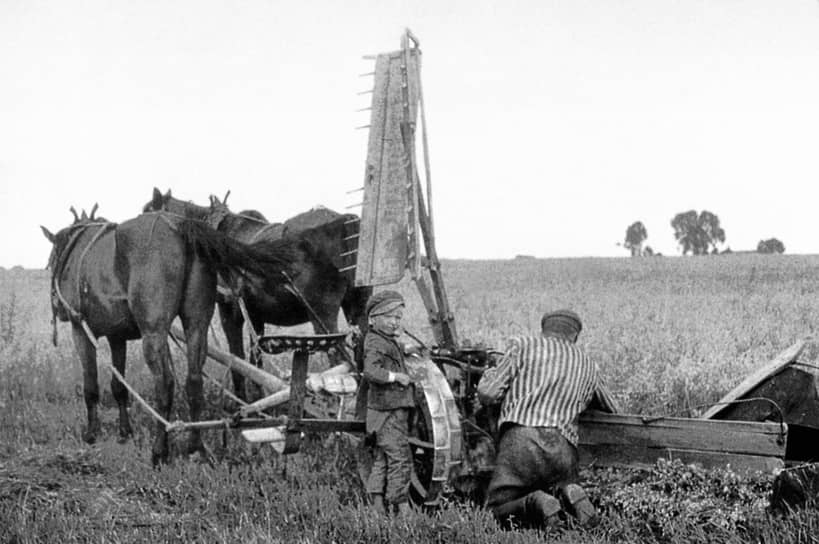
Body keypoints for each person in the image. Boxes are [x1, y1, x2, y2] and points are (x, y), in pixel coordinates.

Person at [476, 309, 602, 529]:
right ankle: (569, 493)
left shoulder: (523, 345)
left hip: (522, 439)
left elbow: (488, 395)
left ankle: (538, 502)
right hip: (564, 444)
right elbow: (609, 405)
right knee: (555, 485)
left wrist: (486, 378)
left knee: (496, 509)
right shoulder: (589, 364)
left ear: (544, 330)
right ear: (575, 336)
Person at [361, 290, 414, 515]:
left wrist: (407, 349)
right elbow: (371, 371)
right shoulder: (375, 342)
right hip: (388, 409)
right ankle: (401, 506)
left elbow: (391, 352)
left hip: (386, 409)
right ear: (373, 319)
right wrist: (396, 377)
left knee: (383, 457)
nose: (395, 322)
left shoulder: (383, 339)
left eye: (398, 318)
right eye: (389, 317)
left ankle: (377, 505)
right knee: (400, 457)